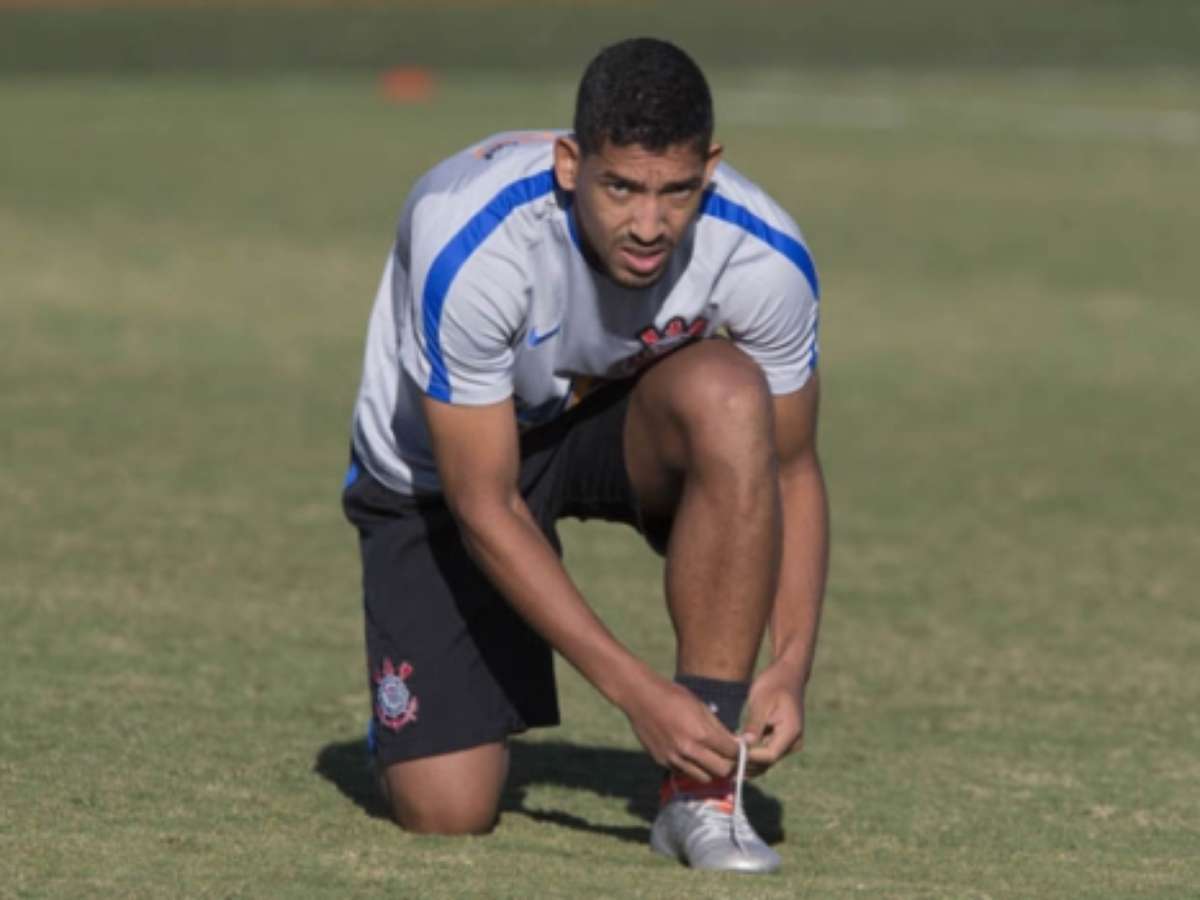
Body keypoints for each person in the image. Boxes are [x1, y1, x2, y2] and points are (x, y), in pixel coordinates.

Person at [342, 36, 828, 874]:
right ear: (571, 166)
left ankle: (703, 795)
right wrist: (636, 693)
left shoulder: (763, 253)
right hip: (447, 473)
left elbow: (791, 468)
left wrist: (791, 664)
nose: (649, 224)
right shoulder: (475, 242)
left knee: (728, 397)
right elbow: (486, 504)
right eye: (621, 188)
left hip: (605, 423)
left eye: (677, 191)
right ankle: (420, 723)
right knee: (448, 812)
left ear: (710, 169)